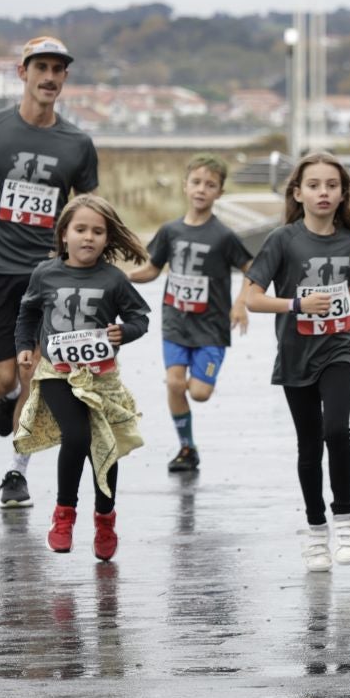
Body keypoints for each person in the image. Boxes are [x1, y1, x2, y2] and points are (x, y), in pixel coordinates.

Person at [244, 152, 350, 571]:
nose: (323, 192)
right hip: (296, 351)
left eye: (331, 185)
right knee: (309, 444)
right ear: (297, 192)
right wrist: (296, 303)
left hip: (341, 346)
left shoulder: (348, 239)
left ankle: (344, 519)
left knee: (336, 430)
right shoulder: (282, 240)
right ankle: (316, 529)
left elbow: (347, 287)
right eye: (314, 185)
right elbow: (252, 298)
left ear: (342, 194)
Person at [0, 37, 99, 509]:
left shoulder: (77, 143)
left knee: (36, 372)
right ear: (22, 72)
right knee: (0, 378)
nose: (50, 77)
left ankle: (17, 471)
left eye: (58, 69)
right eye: (42, 68)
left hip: (48, 277)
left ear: (65, 78)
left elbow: (90, 208)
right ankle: (3, 394)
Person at [13, 195, 149, 561]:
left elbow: (140, 318)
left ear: (107, 239)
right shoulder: (46, 273)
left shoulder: (113, 279)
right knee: (77, 436)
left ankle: (105, 519)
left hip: (100, 378)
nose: (88, 237)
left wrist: (125, 332)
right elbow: (27, 312)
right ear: (63, 235)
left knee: (104, 449)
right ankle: (64, 516)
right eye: (80, 229)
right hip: (56, 373)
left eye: (97, 231)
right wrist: (25, 345)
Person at [127, 155, 255, 473]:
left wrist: (240, 304)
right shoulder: (170, 231)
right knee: (173, 383)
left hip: (211, 326)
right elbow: (152, 270)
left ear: (219, 193)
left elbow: (252, 269)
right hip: (175, 321)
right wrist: (121, 277)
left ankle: (188, 425)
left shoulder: (223, 236)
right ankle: (187, 447)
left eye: (210, 185)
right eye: (196, 182)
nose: (201, 189)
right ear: (185, 186)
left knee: (199, 393)